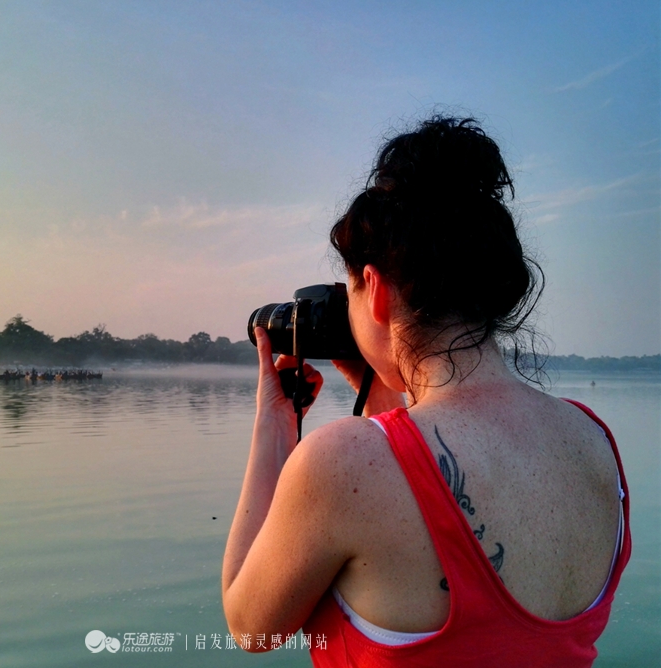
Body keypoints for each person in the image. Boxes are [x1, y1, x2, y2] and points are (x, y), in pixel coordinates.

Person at [222, 117, 629, 667]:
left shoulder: (340, 464)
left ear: (376, 291)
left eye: (351, 291)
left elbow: (251, 628)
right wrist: (383, 382)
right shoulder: (595, 442)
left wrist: (273, 425)